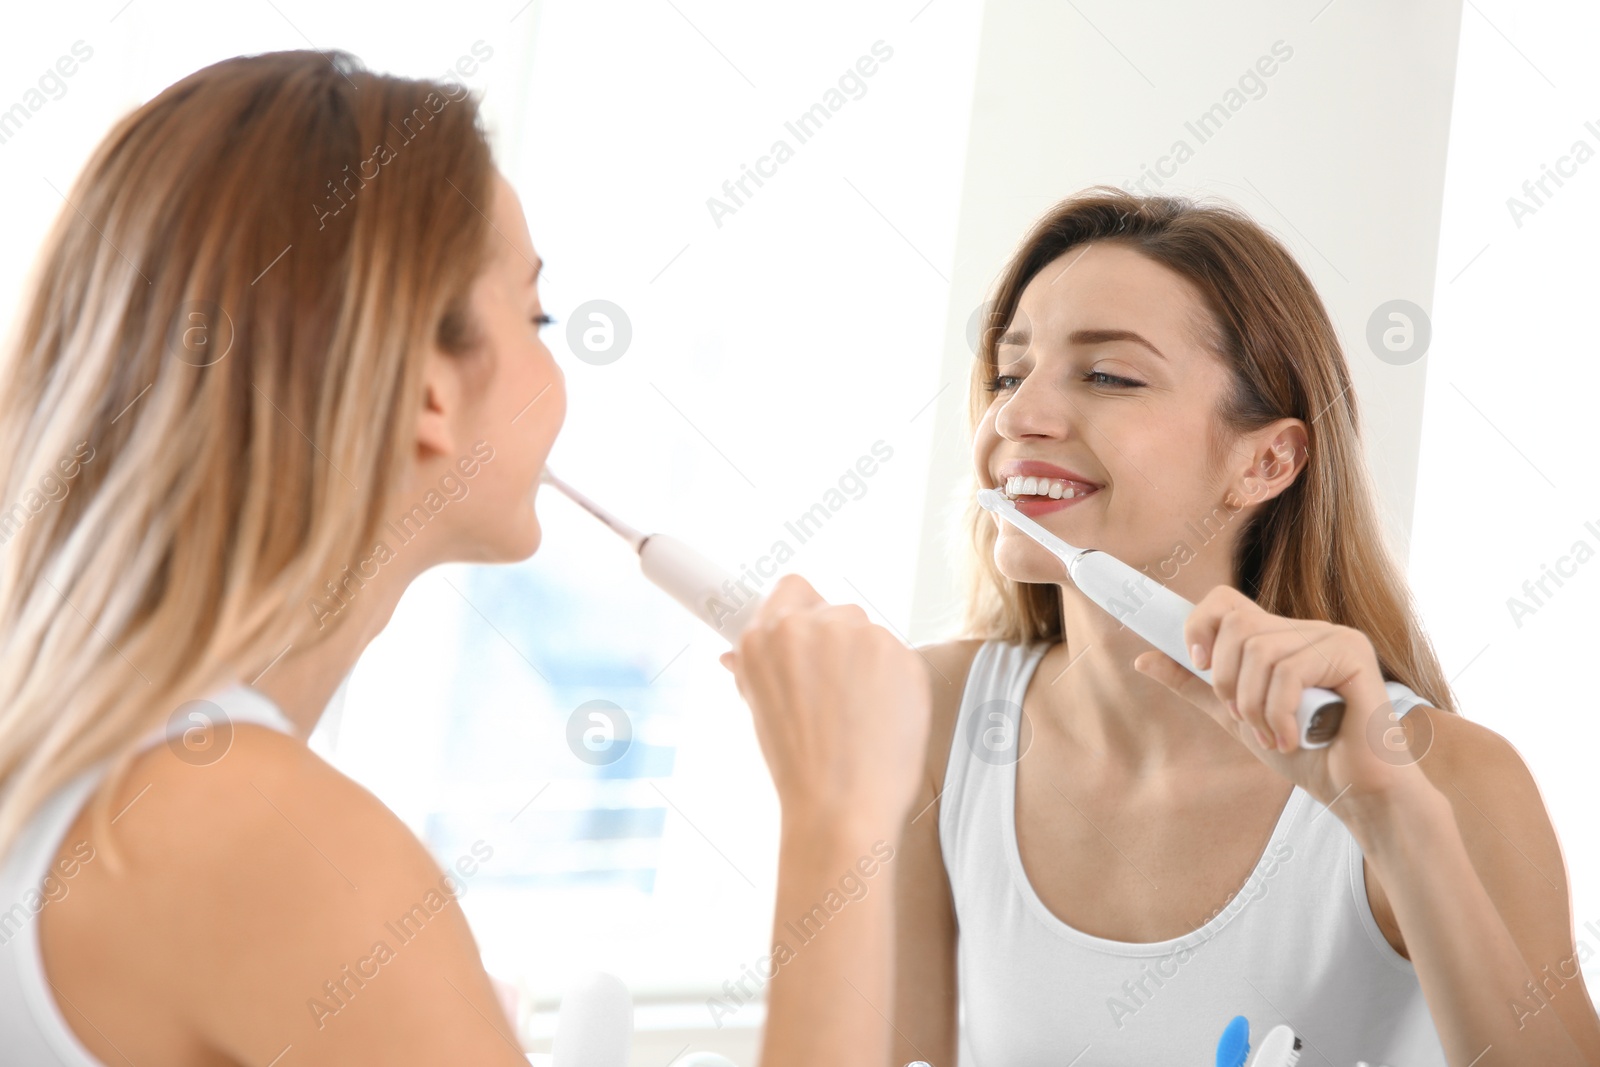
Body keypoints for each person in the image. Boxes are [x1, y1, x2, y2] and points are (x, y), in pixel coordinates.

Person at [0, 50, 929, 1066]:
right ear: (429, 390)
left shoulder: (97, 766)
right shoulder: (266, 839)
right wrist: (841, 816)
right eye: (536, 317)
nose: (552, 366)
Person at [881, 188, 1600, 1065]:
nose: (1015, 417)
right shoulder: (928, 722)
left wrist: (1394, 820)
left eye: (1107, 375)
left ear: (1266, 460)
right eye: (1007, 371)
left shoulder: (1450, 777)